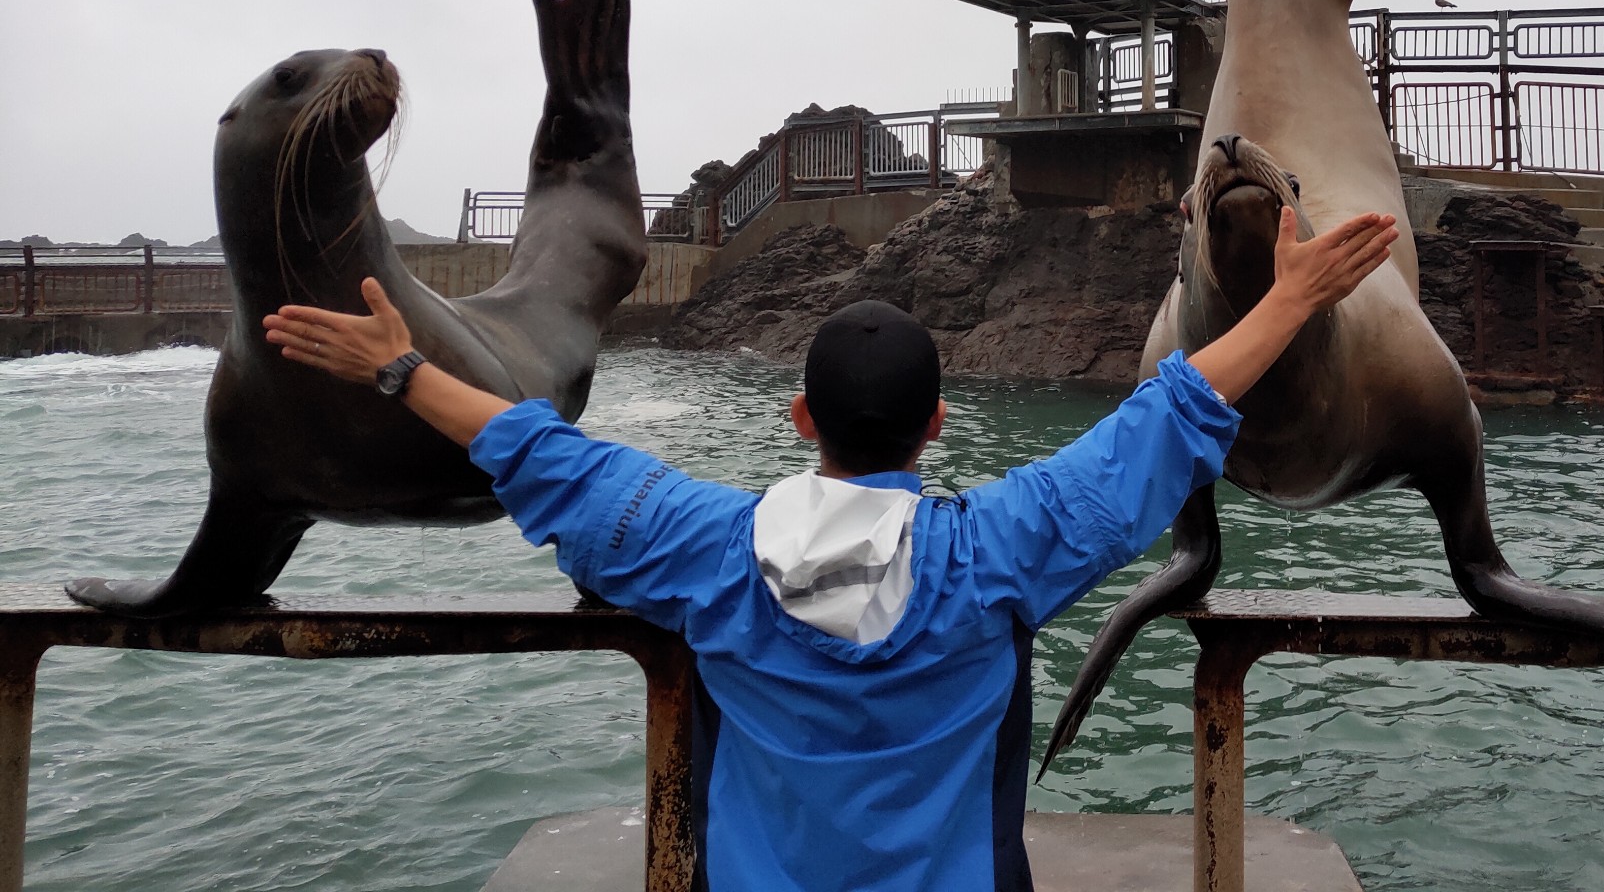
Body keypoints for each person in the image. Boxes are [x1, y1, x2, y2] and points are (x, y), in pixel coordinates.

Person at [263, 205, 1399, 892]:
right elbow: (1164, 422)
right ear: (936, 423)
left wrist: (403, 369)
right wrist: (1287, 299)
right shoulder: (993, 555)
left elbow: (540, 457)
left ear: (800, 420)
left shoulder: (703, 550)